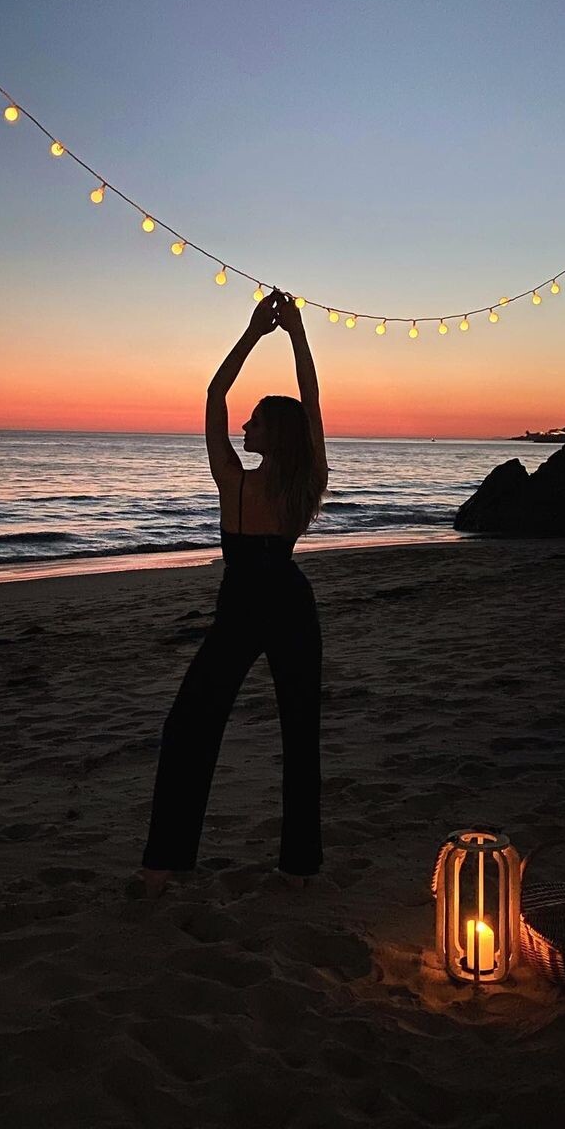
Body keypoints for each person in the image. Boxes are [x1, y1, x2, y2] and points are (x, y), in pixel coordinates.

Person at [140, 292, 330, 896]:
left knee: (300, 732)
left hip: (280, 610)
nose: (244, 426)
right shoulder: (241, 481)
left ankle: (300, 866)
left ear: (276, 435)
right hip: (248, 610)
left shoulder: (296, 484)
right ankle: (166, 860)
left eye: (256, 422)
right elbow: (215, 397)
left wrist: (288, 333)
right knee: (189, 723)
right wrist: (260, 332)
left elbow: (307, 401)